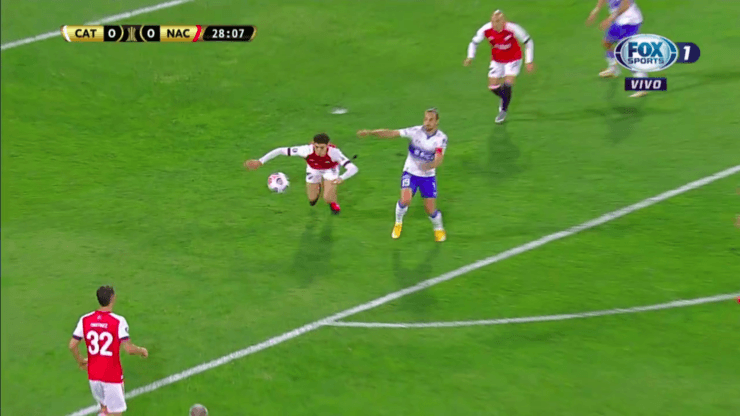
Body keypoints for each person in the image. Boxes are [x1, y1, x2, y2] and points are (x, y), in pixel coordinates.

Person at [357, 108, 447, 242]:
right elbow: (392, 133)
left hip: (428, 177)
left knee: (430, 210)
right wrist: (371, 132)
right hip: (410, 173)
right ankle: (398, 223)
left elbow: (439, 158)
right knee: (405, 200)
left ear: (437, 121)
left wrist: (429, 166)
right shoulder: (415, 131)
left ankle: (438, 228)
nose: (427, 122)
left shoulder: (441, 138)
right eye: (425, 119)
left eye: (431, 120)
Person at [69, 286, 148, 416]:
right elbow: (128, 349)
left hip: (93, 375)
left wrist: (81, 361)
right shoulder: (118, 321)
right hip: (111, 376)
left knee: (105, 409)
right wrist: (142, 351)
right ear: (113, 298)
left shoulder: (85, 319)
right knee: (115, 413)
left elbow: (72, 345)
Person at [244, 133, 359, 215]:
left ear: (327, 145)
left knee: (327, 198)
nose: (319, 150)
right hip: (313, 169)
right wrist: (260, 161)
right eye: (316, 147)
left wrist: (342, 177)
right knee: (312, 199)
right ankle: (320, 184)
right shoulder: (306, 150)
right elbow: (280, 150)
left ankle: (332, 201)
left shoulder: (335, 153)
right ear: (313, 144)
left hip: (330, 169)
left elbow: (353, 168)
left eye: (322, 148)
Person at [464, 9, 535, 124]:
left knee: (507, 84)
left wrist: (529, 61)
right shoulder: (486, 29)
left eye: (497, 21)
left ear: (503, 21)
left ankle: (503, 110)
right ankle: (506, 97)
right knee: (492, 87)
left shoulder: (513, 28)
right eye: (493, 21)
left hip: (513, 59)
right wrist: (470, 57)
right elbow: (474, 42)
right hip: (497, 61)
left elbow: (528, 41)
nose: (494, 24)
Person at [586, 0, 648, 98]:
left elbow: (625, 5)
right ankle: (613, 69)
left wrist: (610, 19)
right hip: (619, 20)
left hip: (630, 20)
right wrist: (596, 10)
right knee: (607, 42)